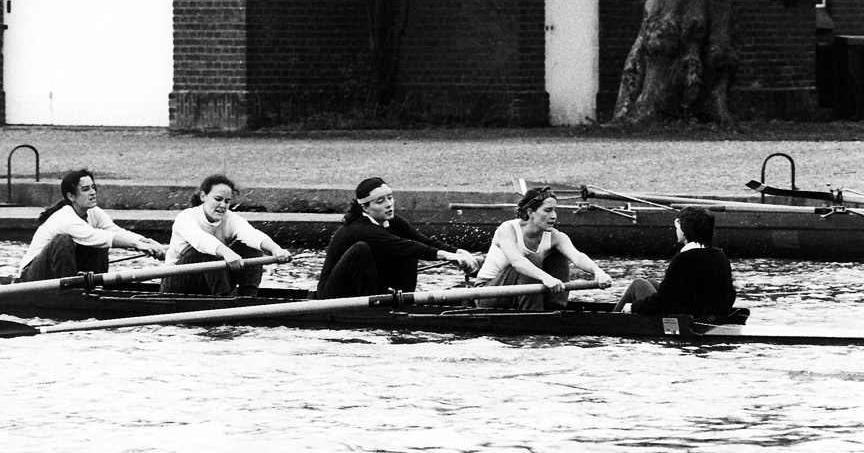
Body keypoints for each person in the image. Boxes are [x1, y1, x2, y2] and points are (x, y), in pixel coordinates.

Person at [316, 177, 479, 299]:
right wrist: (446, 256)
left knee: (413, 249)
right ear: (365, 208)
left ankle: (405, 299)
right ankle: (375, 310)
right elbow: (401, 245)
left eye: (390, 197)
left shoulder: (393, 221)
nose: (388, 204)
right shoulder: (359, 228)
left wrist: (459, 252)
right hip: (330, 294)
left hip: (365, 285)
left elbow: (423, 241)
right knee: (364, 249)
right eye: (380, 201)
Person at [473, 186, 613, 310]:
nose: (554, 216)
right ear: (530, 212)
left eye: (554, 210)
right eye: (547, 210)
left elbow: (577, 256)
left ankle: (554, 310)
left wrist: (598, 272)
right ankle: (534, 317)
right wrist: (546, 278)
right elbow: (518, 262)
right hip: (487, 294)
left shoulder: (556, 236)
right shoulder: (508, 229)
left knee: (558, 256)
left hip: (521, 293)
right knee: (529, 261)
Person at [19, 169, 166, 282]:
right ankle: (71, 295)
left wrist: (146, 242)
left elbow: (116, 232)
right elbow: (97, 237)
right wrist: (138, 244)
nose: (93, 193)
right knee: (64, 240)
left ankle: (95, 287)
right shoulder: (64, 217)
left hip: (57, 274)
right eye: (86, 189)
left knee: (101, 239)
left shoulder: (94, 212)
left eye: (93, 187)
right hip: (31, 277)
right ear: (71, 196)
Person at [159, 174, 292, 297]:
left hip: (211, 279)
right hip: (177, 284)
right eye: (218, 199)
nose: (223, 205)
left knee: (249, 246)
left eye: (227, 201)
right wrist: (227, 252)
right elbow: (202, 240)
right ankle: (225, 302)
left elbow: (251, 234)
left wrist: (276, 249)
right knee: (208, 252)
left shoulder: (230, 218)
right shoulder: (186, 217)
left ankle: (249, 298)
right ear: (203, 196)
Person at [614, 205, 736, 318]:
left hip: (683, 318)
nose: (676, 231)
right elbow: (730, 296)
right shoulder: (721, 256)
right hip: (710, 315)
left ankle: (612, 320)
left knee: (638, 284)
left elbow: (663, 301)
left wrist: (633, 307)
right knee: (650, 282)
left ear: (684, 230)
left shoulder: (683, 259)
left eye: (677, 228)